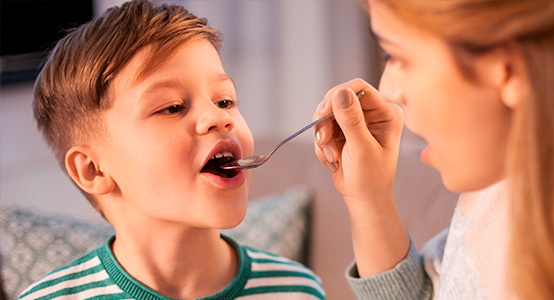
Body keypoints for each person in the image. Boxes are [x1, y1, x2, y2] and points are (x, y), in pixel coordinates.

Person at [20, 0, 325, 299]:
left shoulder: (296, 290)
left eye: (225, 101)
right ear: (93, 169)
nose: (219, 117)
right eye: (172, 107)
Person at [313, 0, 554, 299]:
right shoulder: (494, 190)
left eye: (397, 56)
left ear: (509, 68)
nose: (388, 89)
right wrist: (371, 201)